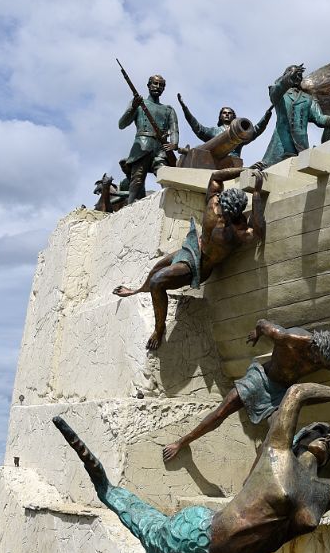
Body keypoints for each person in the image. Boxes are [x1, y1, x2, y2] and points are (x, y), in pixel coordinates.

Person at [51, 378, 330, 553]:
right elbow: (296, 393)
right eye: (318, 431)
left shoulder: (323, 494)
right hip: (197, 539)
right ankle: (104, 484)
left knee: (143, 520)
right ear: (298, 441)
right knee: (140, 518)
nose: (327, 436)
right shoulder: (276, 456)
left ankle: (108, 488)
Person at [162, 315, 330, 461]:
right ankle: (182, 442)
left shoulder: (325, 357)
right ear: (313, 345)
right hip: (260, 379)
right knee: (221, 412)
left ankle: (251, 481)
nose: (320, 364)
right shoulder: (289, 338)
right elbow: (263, 323)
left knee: (277, 433)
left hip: (281, 393)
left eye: (325, 362)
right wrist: (256, 334)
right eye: (318, 359)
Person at [113, 167, 267, 351]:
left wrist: (256, 191)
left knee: (157, 281)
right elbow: (217, 176)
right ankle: (136, 290)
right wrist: (248, 173)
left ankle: (159, 329)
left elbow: (258, 229)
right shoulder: (220, 211)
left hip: (199, 266)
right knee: (156, 269)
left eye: (227, 215)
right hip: (193, 246)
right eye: (222, 212)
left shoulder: (231, 227)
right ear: (221, 202)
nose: (222, 216)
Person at [255, 64, 330, 169]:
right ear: (286, 75)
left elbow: (319, 118)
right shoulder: (279, 92)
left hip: (300, 145)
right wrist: (288, 77)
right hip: (281, 143)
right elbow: (275, 92)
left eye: (299, 75)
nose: (297, 76)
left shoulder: (309, 98)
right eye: (294, 74)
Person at [117, 74, 179, 203]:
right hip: (143, 145)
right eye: (155, 84)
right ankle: (130, 206)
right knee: (137, 179)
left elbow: (174, 130)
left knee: (165, 176)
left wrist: (174, 144)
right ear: (148, 85)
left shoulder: (168, 110)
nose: (157, 87)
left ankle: (171, 203)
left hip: (161, 148)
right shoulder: (139, 104)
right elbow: (122, 124)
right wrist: (134, 107)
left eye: (161, 85)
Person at [177, 95, 273, 159]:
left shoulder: (241, 132)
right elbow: (198, 128)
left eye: (229, 113)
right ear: (220, 116)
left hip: (233, 162)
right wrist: (185, 109)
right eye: (224, 113)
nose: (227, 114)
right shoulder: (214, 131)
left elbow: (256, 130)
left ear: (233, 116)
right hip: (216, 163)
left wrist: (267, 115)